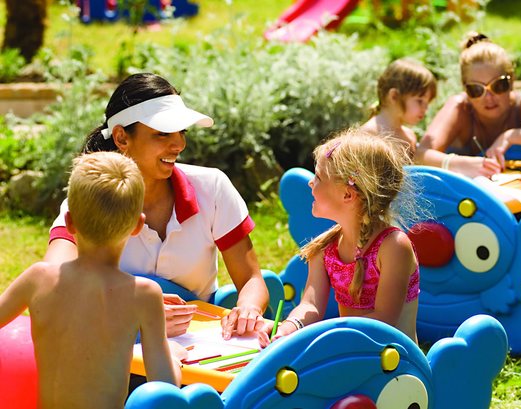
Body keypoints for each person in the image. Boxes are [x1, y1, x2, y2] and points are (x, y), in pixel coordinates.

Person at [44, 73, 269, 338]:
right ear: (121, 138)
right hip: (112, 343)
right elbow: (53, 282)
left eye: (182, 132)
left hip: (197, 344)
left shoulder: (213, 188)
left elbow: (251, 279)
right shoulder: (87, 200)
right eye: (162, 134)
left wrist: (249, 308)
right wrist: (132, 308)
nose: (179, 144)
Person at [0, 152, 182, 408]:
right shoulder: (143, 294)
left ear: (69, 222)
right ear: (138, 225)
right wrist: (173, 357)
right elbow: (165, 389)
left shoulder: (37, 278)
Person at [259, 129, 421, 346]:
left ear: (347, 194)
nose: (310, 183)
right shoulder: (325, 247)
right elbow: (311, 305)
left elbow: (384, 321)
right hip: (350, 354)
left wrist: (328, 337)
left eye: (318, 177)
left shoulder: (393, 246)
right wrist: (288, 327)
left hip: (395, 360)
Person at [416, 32, 521, 178]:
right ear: (465, 89)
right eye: (476, 89)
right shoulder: (460, 108)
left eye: (498, 85)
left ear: (512, 81)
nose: (488, 97)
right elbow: (420, 155)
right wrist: (460, 164)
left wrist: (510, 136)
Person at [360, 58, 437, 156]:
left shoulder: (409, 137)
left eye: (427, 102)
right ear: (394, 96)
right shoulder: (367, 135)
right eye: (420, 101)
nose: (425, 108)